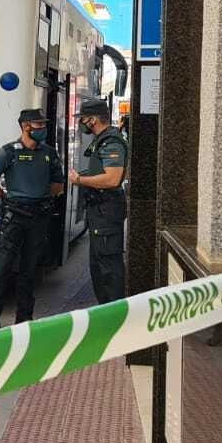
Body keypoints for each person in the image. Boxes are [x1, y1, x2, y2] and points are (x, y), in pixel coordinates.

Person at [0, 108, 64, 330]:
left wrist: (42, 194)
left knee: (29, 270)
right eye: (38, 126)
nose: (42, 129)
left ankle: (25, 319)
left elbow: (58, 185)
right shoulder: (9, 152)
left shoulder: (49, 153)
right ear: (26, 127)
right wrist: (6, 198)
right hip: (15, 216)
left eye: (42, 125)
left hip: (39, 217)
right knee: (3, 268)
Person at [69, 97, 129, 303]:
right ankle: (106, 318)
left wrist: (80, 179)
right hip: (100, 212)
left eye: (83, 119)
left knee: (108, 270)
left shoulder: (111, 141)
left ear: (93, 119)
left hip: (106, 212)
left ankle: (115, 320)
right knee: (99, 269)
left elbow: (112, 178)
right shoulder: (102, 139)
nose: (81, 123)